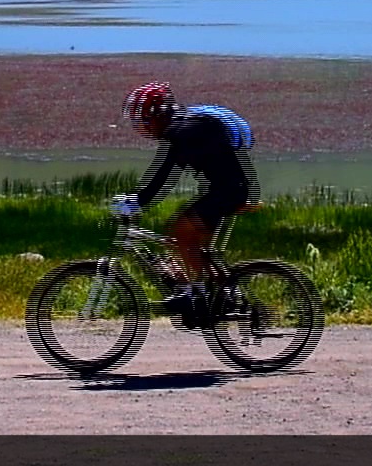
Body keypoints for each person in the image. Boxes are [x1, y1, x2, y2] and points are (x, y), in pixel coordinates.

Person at [111, 82, 260, 325]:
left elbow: (166, 173)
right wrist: (139, 199)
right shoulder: (184, 125)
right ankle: (221, 295)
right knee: (190, 246)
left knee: (181, 232)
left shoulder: (184, 130)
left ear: (157, 114)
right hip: (230, 189)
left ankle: (196, 295)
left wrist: (138, 201)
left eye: (143, 121)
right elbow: (166, 171)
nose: (142, 127)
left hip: (229, 192)